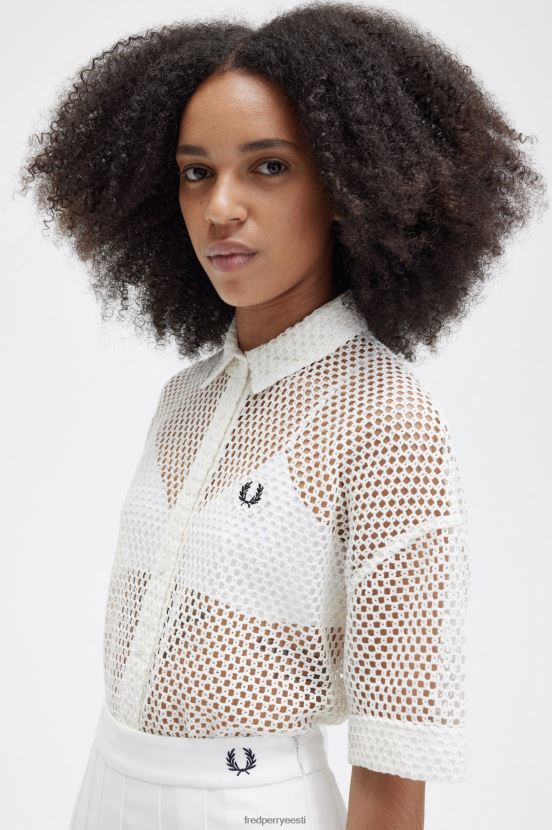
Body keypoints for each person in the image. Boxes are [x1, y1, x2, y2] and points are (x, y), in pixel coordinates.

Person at [18, 3, 546, 829]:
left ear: (345, 184)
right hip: (105, 787)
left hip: (250, 805)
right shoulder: (185, 399)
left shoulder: (386, 420)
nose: (220, 207)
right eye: (197, 172)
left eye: (268, 166)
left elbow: (395, 757)